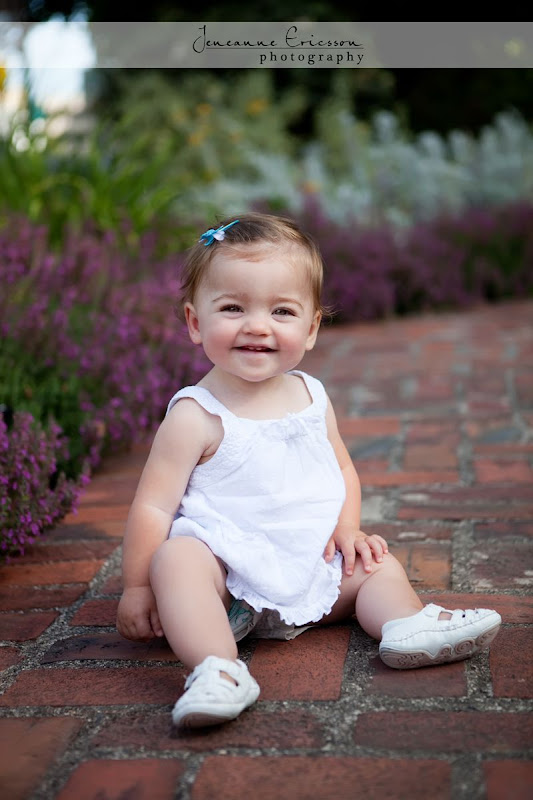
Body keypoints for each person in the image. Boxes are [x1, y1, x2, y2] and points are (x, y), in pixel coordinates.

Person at [116, 212, 501, 730]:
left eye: (282, 310)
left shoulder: (310, 396)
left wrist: (347, 529)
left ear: (312, 327)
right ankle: (219, 667)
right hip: (227, 586)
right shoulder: (195, 415)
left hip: (310, 569)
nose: (257, 325)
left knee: (375, 563)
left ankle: (406, 625)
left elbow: (341, 466)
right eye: (232, 308)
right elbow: (153, 506)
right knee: (176, 560)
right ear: (195, 322)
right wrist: (138, 588)